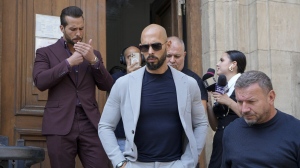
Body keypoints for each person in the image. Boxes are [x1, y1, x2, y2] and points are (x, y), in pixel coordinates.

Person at [98, 24, 208, 168]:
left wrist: (188, 162)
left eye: (156, 46)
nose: (150, 52)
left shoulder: (188, 84)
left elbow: (201, 124)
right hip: (136, 164)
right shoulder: (124, 84)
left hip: (175, 163)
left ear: (167, 45)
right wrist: (120, 163)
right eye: (145, 47)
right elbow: (105, 126)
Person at [32, 6, 113, 168]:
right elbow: (40, 81)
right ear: (62, 28)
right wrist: (68, 63)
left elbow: (107, 85)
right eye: (73, 29)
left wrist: (94, 61)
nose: (78, 34)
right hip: (59, 123)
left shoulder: (93, 54)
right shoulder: (45, 52)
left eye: (81, 28)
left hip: (90, 123)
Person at [222, 70, 300, 167]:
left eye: (251, 101)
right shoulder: (231, 131)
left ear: (271, 97)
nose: (244, 109)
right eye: (240, 102)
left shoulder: (296, 131)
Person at [207, 50, 247, 168]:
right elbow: (215, 126)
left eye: (222, 60)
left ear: (233, 64)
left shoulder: (245, 83)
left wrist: (228, 101)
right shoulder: (222, 86)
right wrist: (209, 105)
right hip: (220, 144)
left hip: (239, 142)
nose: (217, 64)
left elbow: (251, 115)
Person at [166, 36, 208, 118]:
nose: (172, 60)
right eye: (168, 56)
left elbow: (200, 118)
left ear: (184, 55)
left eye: (177, 56)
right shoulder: (155, 77)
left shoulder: (194, 80)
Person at [112, 46, 143, 152]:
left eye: (136, 56)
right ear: (123, 60)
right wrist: (129, 77)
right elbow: (117, 101)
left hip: (144, 137)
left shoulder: (149, 76)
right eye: (129, 57)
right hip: (123, 137)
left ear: (142, 58)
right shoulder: (116, 78)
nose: (132, 59)